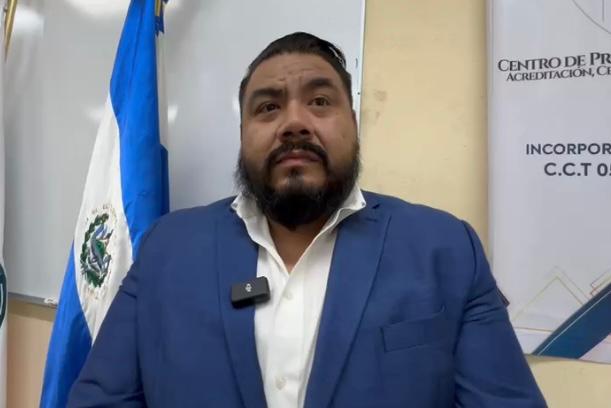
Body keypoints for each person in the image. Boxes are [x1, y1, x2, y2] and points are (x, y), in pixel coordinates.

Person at [68, 32, 546, 407]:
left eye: (319, 102)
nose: (294, 123)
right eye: (268, 107)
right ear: (242, 133)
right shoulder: (167, 248)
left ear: (353, 124)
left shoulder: (446, 249)